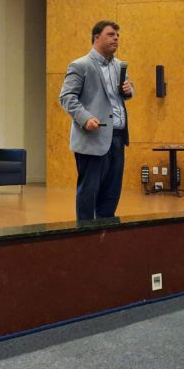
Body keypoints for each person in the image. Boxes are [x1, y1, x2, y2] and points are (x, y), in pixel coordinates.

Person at [59, 20, 134, 220]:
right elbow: (67, 97)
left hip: (117, 137)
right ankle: (85, 233)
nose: (116, 38)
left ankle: (106, 232)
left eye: (117, 35)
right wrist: (85, 118)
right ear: (97, 37)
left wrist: (129, 90)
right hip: (92, 137)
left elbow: (125, 92)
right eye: (111, 34)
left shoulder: (119, 66)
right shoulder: (80, 65)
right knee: (89, 191)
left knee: (111, 192)